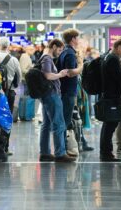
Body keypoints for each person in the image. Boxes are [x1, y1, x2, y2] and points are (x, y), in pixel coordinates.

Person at [38, 39, 75, 163]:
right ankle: (60, 153)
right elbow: (48, 75)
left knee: (46, 124)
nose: (59, 53)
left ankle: (45, 153)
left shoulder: (45, 57)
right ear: (54, 46)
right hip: (52, 95)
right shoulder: (47, 58)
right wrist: (60, 74)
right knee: (59, 124)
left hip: (47, 95)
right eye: (59, 50)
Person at [99, 39, 121, 162]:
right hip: (112, 95)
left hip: (107, 94)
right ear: (119, 47)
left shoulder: (106, 57)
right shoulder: (113, 59)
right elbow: (118, 76)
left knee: (107, 125)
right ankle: (107, 153)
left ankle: (105, 152)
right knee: (110, 125)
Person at [57, 29, 84, 157]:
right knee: (65, 121)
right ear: (73, 39)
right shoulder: (70, 54)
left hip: (64, 91)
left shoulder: (65, 52)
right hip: (68, 92)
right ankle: (61, 151)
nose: (79, 40)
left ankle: (62, 149)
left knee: (64, 120)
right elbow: (70, 72)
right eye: (78, 38)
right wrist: (81, 65)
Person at [0, 38, 21, 155]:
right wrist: (14, 86)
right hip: (9, 93)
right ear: (8, 46)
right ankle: (4, 147)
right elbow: (19, 76)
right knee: (6, 119)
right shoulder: (13, 59)